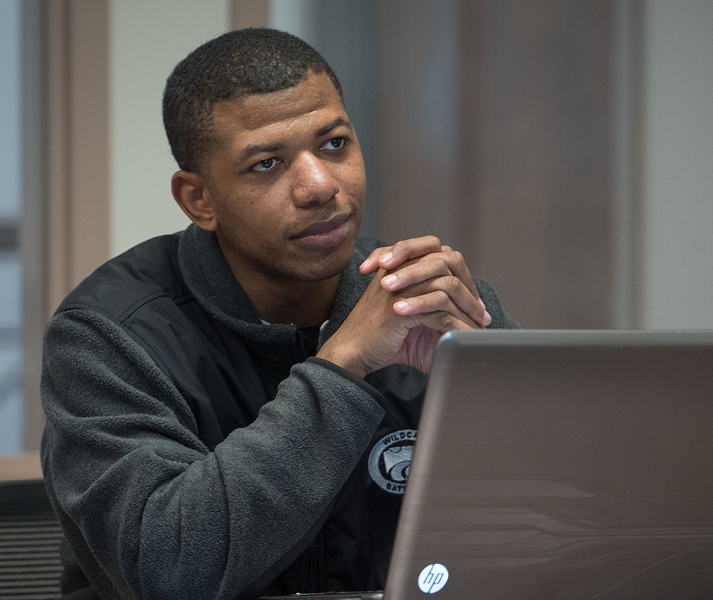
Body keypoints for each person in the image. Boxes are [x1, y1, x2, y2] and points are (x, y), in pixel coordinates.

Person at [40, 28, 518, 600]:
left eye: (335, 144)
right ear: (200, 200)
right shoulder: (107, 338)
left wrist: (493, 401)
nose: (320, 186)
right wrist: (341, 365)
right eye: (267, 164)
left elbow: (579, 526)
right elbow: (168, 572)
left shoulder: (428, 304)